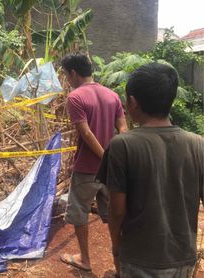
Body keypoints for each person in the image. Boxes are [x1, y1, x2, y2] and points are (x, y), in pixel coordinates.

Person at [97, 62, 204, 278]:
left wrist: (116, 247)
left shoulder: (121, 145)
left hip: (138, 258)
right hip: (182, 256)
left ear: (133, 102)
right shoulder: (198, 144)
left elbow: (117, 210)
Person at [60, 53, 128, 272]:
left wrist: (104, 159)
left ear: (72, 73)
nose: (68, 80)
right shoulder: (112, 95)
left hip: (88, 169)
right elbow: (124, 130)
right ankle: (119, 265)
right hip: (113, 172)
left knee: (79, 212)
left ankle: (85, 260)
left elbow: (87, 134)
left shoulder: (75, 97)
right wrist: (115, 160)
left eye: (66, 75)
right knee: (115, 215)